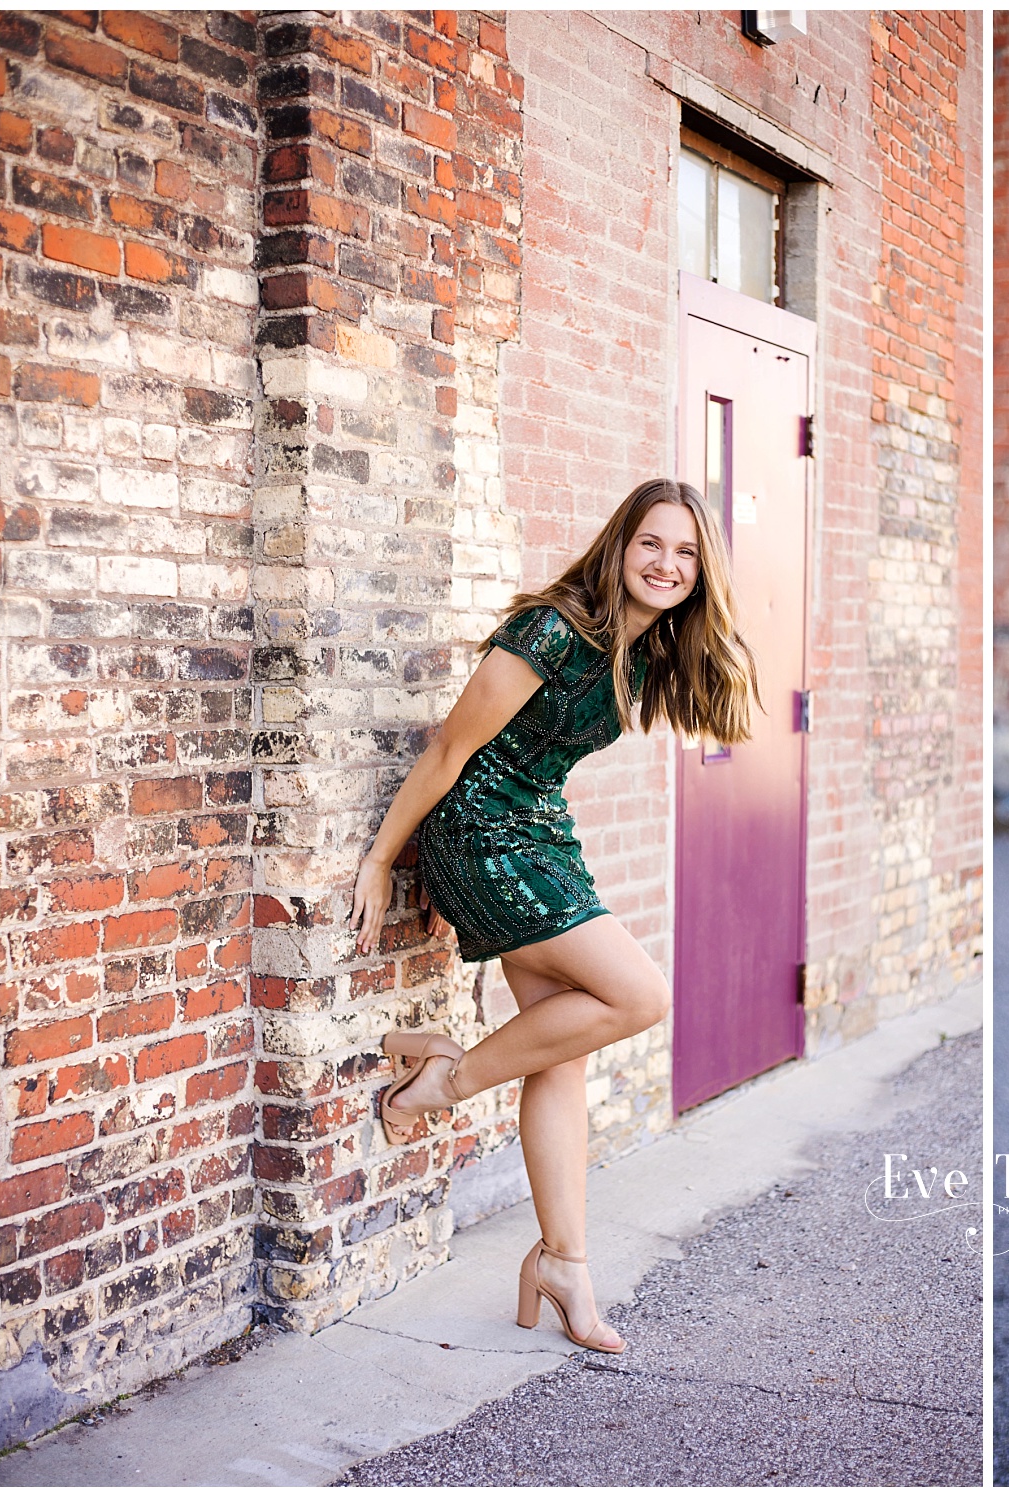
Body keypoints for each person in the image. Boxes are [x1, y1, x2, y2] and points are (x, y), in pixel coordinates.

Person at [348, 478, 759, 1354]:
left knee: (559, 1045)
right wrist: (384, 858)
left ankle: (563, 1262)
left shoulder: (648, 652)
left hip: (541, 831)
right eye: (652, 543)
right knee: (639, 995)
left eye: (686, 553)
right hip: (478, 833)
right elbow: (452, 749)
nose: (667, 564)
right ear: (620, 543)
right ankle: (444, 1080)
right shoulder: (552, 629)